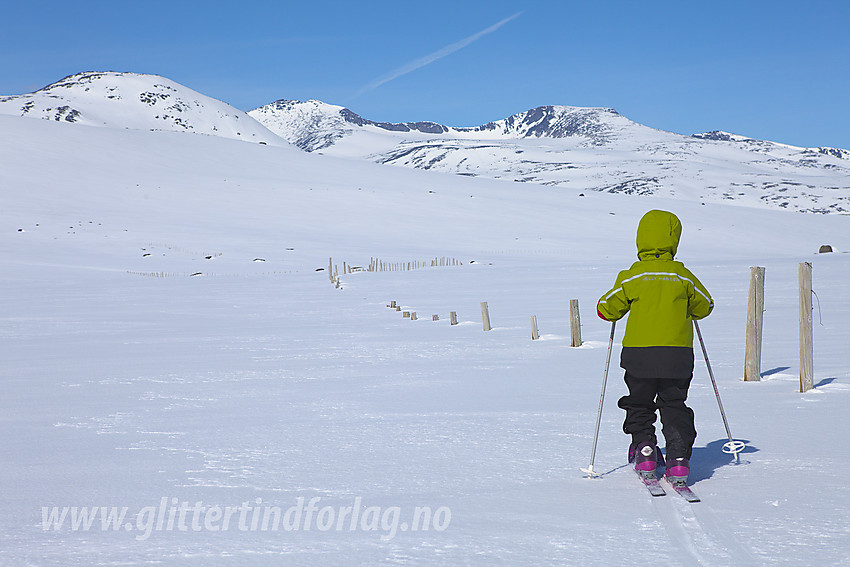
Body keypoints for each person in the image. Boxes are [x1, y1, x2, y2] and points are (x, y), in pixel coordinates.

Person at [596, 210, 713, 485]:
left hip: (639, 354)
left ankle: (645, 451)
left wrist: (608, 310)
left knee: (639, 402)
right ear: (674, 239)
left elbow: (607, 307)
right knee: (674, 403)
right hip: (677, 354)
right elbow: (705, 305)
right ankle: (679, 460)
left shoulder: (632, 276)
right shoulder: (683, 276)